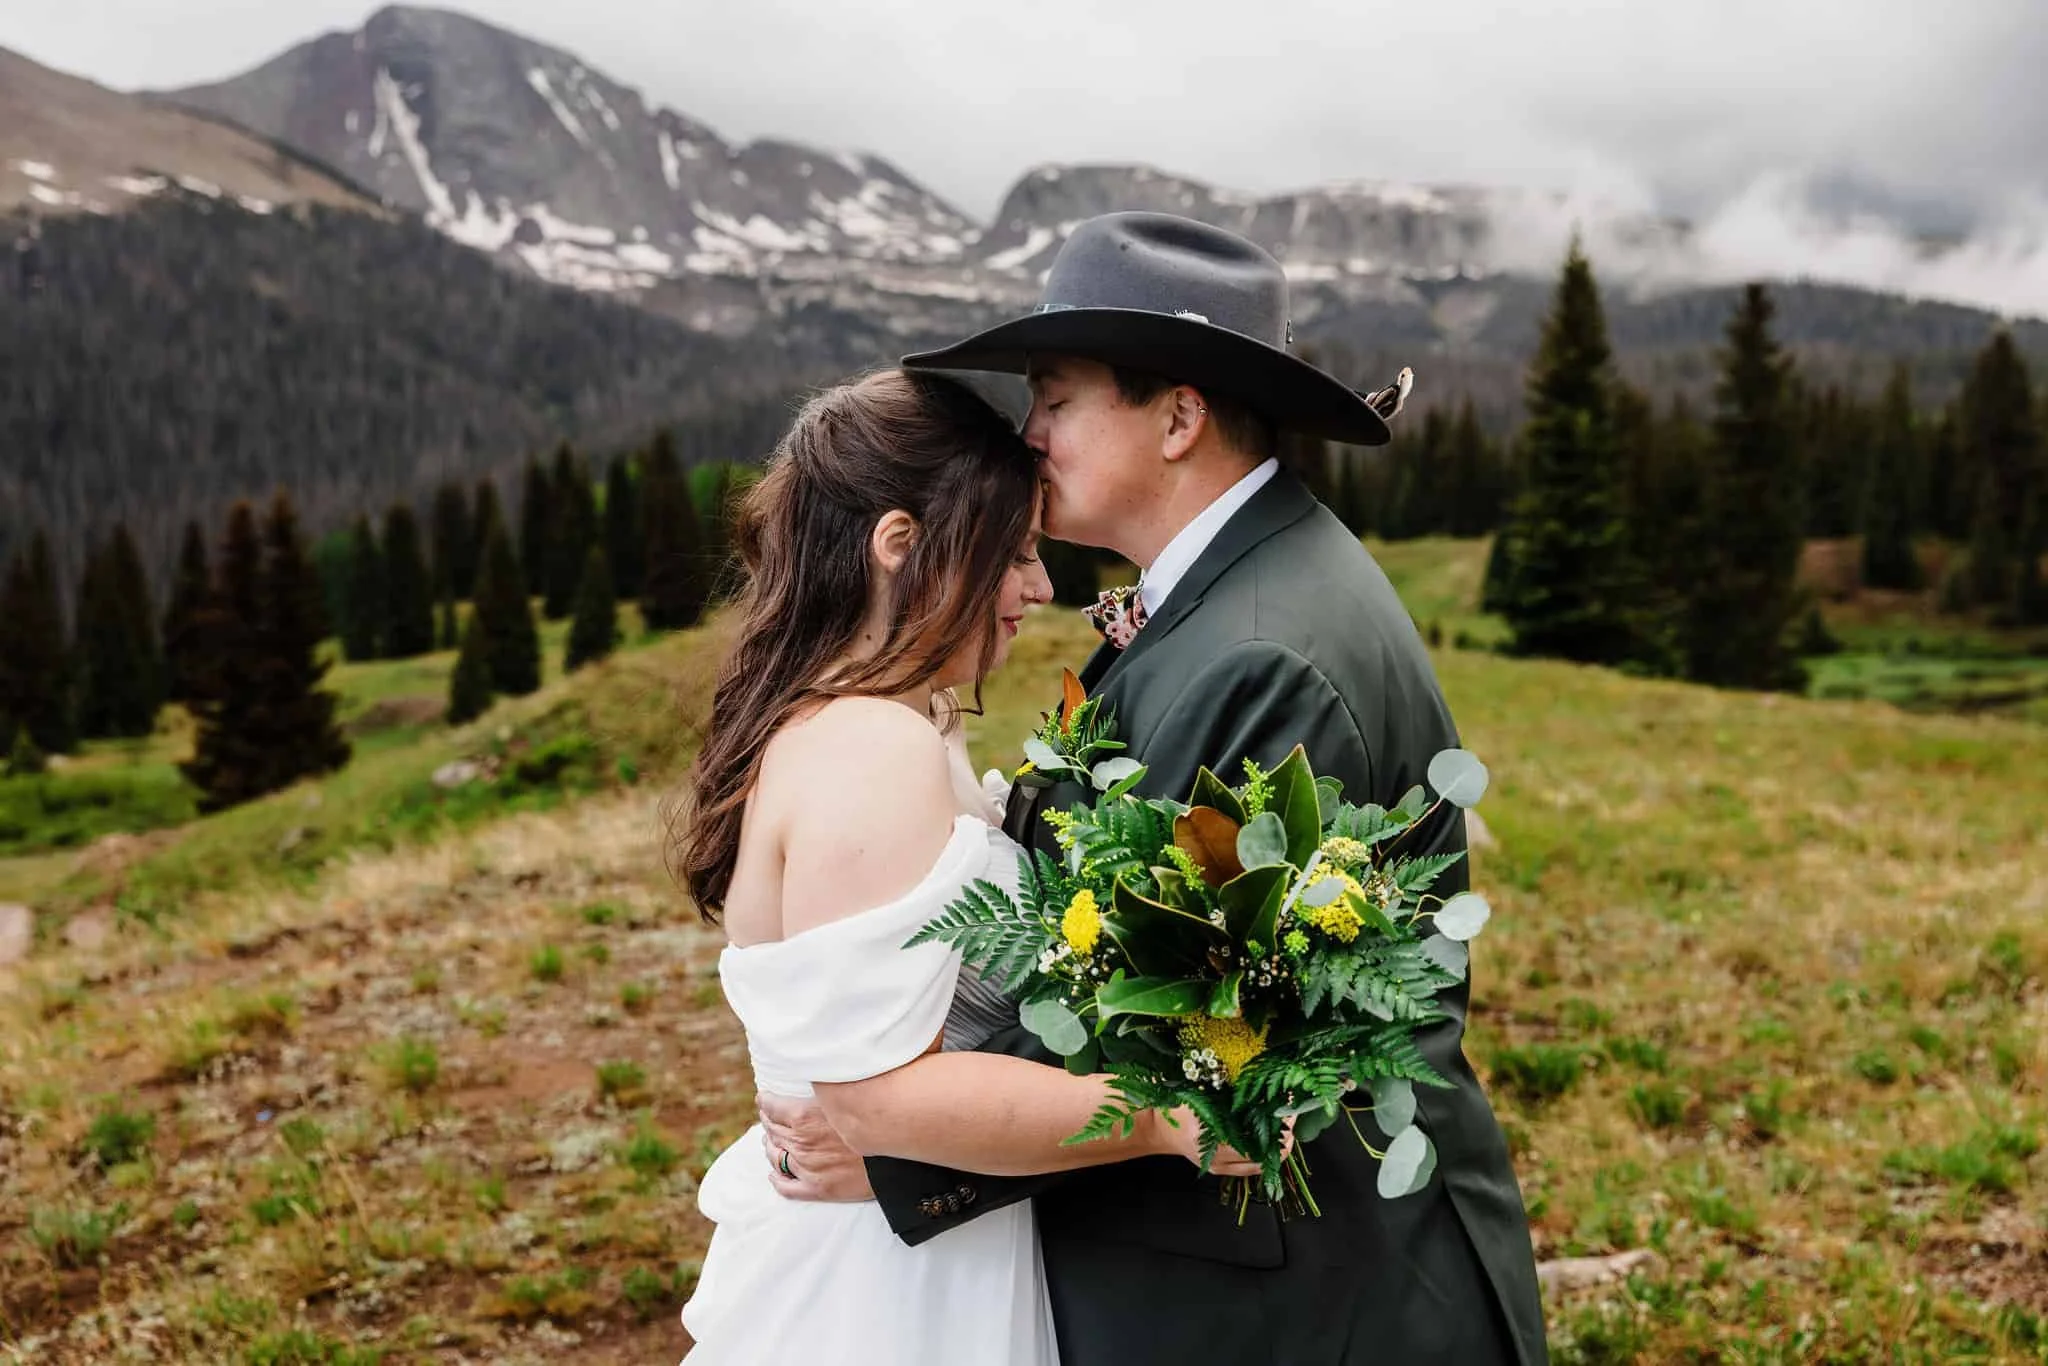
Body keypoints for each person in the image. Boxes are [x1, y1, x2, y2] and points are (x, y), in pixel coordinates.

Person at [760, 213, 1551, 1365]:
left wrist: (894, 1137)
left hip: (1302, 1307)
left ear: (1177, 417)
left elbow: (1186, 1010)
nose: (1026, 435)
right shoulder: (1223, 594)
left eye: (1055, 397)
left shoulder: (1259, 653)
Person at [671, 367, 1272, 1365]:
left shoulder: (901, 717)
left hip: (922, 1244)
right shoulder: (868, 748)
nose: (1039, 587)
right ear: (898, 547)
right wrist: (1173, 1116)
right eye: (1013, 551)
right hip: (881, 1291)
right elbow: (873, 1102)